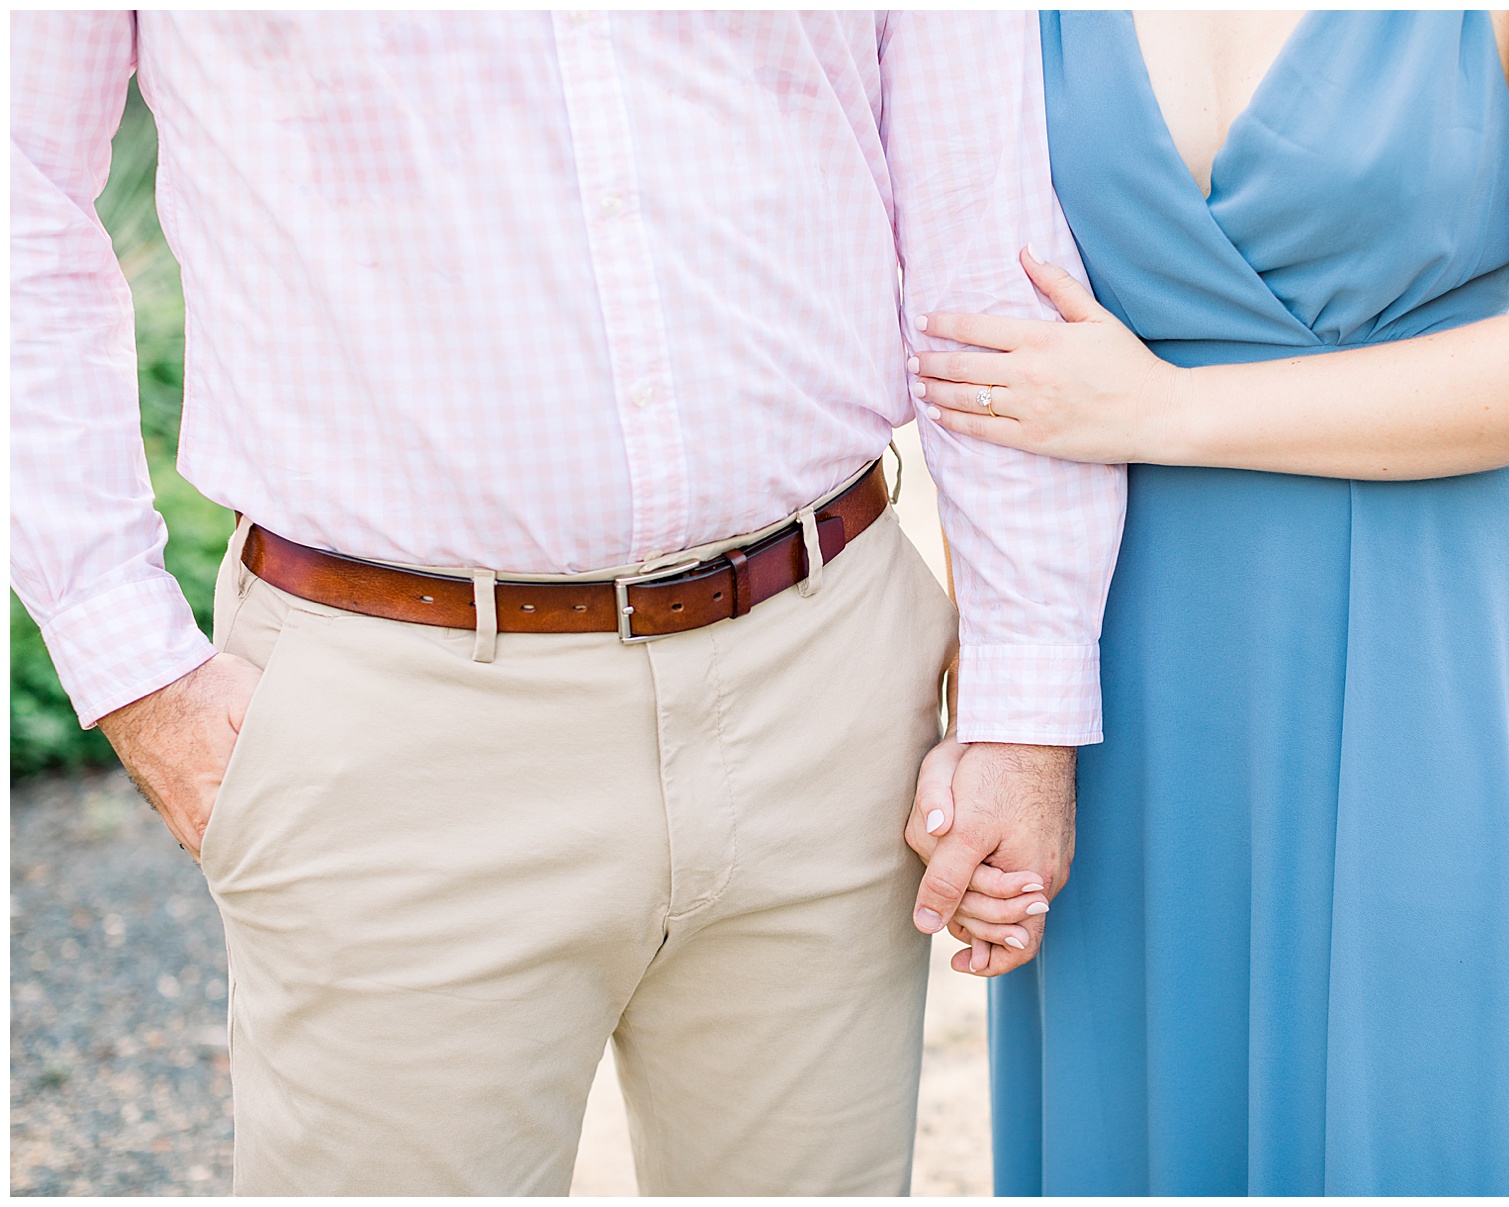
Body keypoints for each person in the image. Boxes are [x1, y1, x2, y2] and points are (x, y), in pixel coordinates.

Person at [10, 12, 1123, 1195]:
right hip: (394, 724)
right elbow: (17, 192)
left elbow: (981, 228)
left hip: (829, 685)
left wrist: (1025, 697)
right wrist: (133, 664)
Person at [907, 9, 1509, 1196]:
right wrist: (1002, 710)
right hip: (1127, 696)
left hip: (1441, 665)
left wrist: (1172, 410)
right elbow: (980, 354)